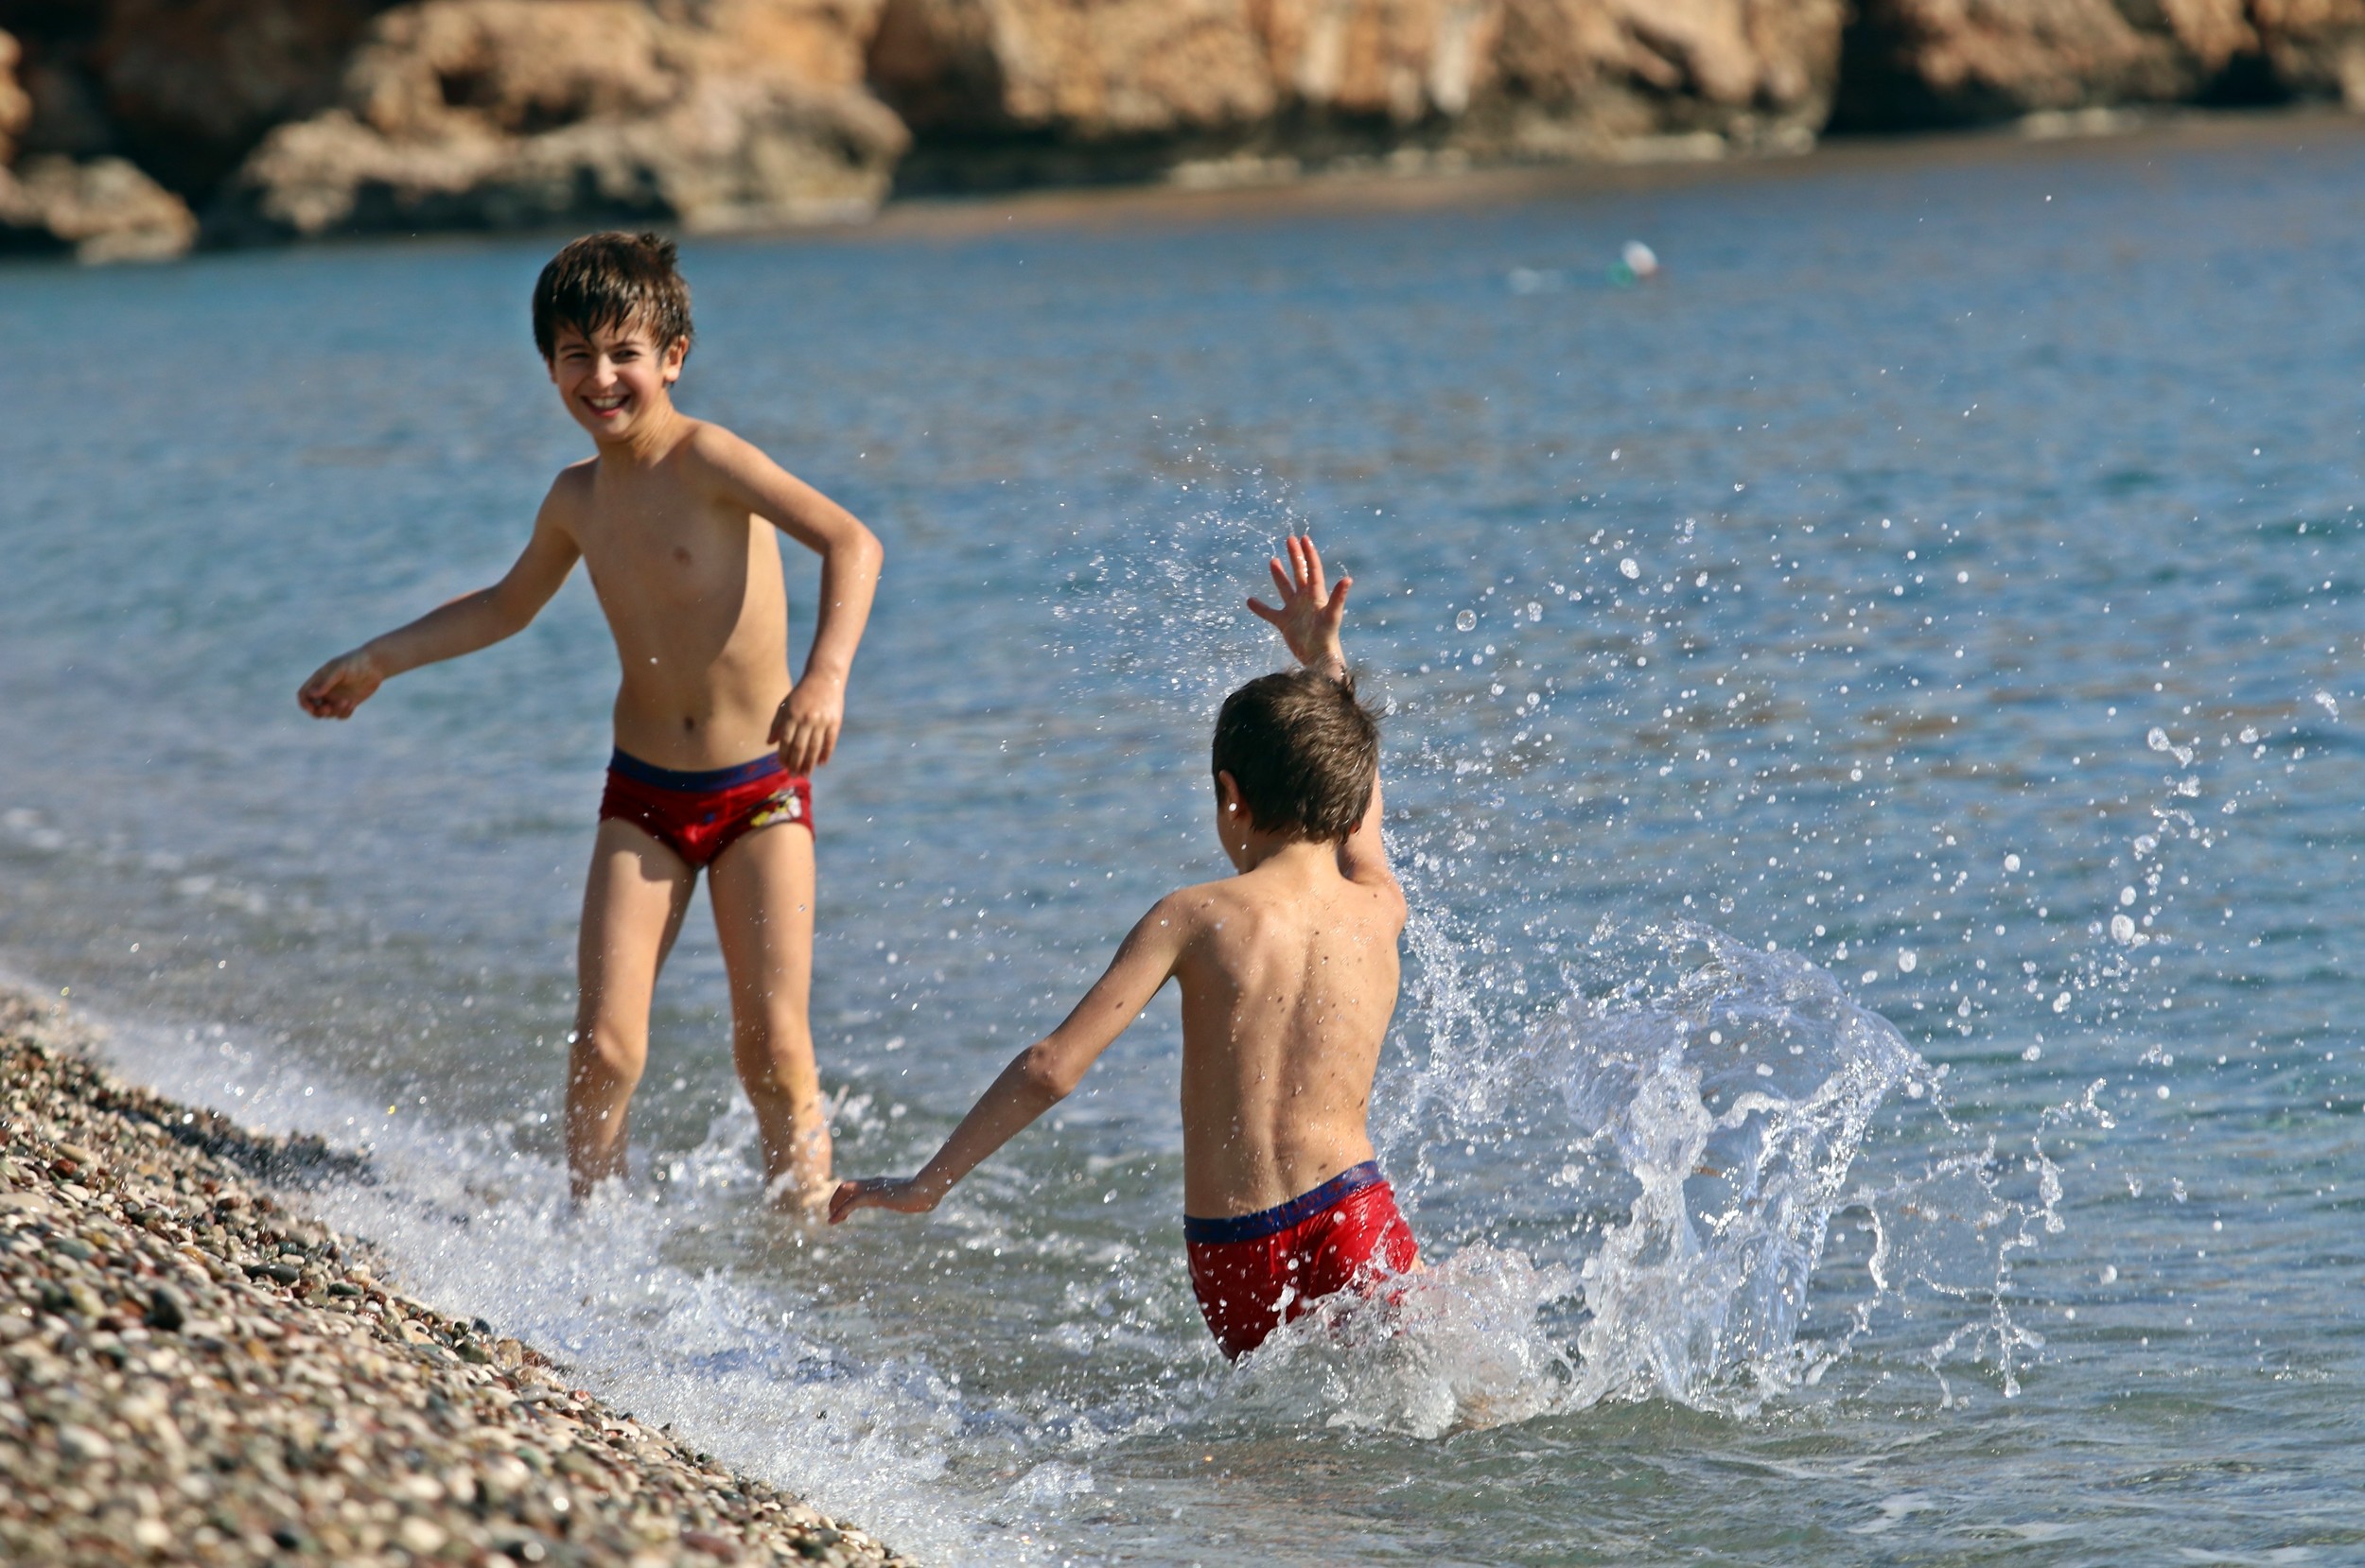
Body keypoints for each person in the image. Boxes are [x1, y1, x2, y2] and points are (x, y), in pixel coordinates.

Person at [298, 232, 883, 1211]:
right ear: (550, 367)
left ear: (672, 357)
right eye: (577, 355)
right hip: (644, 794)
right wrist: (378, 660)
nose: (601, 377)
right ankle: (591, 1232)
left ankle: (806, 1241)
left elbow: (850, 541)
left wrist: (824, 679)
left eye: (624, 353)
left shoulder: (712, 458)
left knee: (774, 1049)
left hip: (760, 793)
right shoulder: (576, 498)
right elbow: (502, 606)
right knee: (606, 1043)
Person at [832, 535, 1416, 1358]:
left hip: (1238, 1249)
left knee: (1278, 1455)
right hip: (1356, 1216)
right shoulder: (1377, 907)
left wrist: (929, 1184)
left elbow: (1051, 1068)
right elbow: (1365, 817)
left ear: (1229, 796)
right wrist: (1328, 663)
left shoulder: (1195, 916)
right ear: (1349, 798)